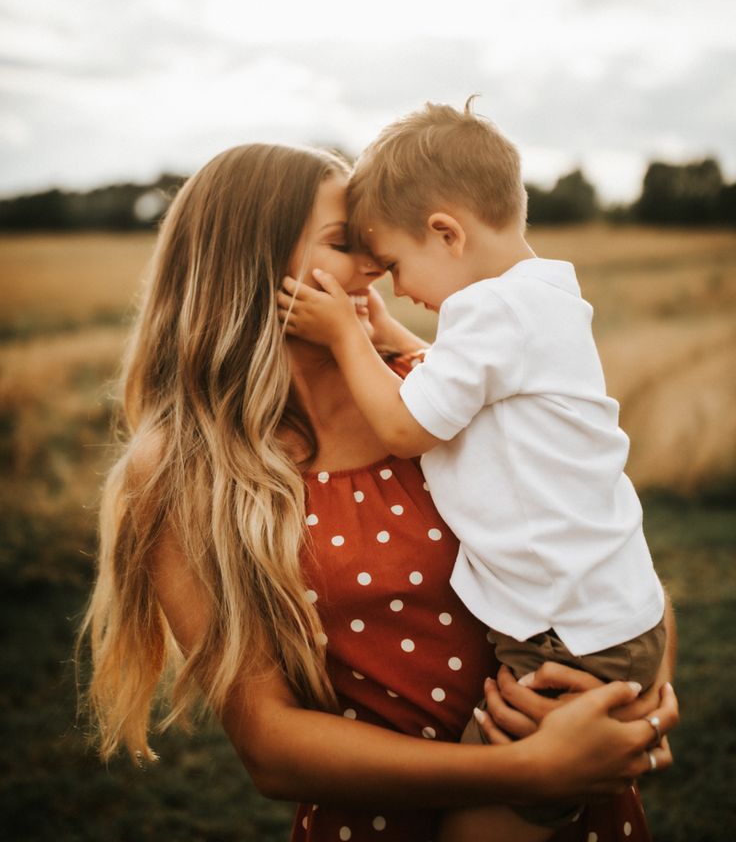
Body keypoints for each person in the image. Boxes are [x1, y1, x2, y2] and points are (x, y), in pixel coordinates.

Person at [81, 142, 677, 842]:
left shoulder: (439, 389)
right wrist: (527, 772)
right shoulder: (184, 467)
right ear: (252, 265)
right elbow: (269, 746)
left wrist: (638, 702)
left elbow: (602, 541)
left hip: (576, 793)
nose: (377, 268)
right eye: (346, 243)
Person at [279, 104, 671, 841]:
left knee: (481, 824)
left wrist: (341, 334)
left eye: (394, 264)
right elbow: (454, 372)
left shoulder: (491, 315)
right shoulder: (540, 300)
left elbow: (405, 424)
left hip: (561, 640)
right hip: (607, 614)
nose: (389, 285)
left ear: (447, 233)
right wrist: (386, 337)